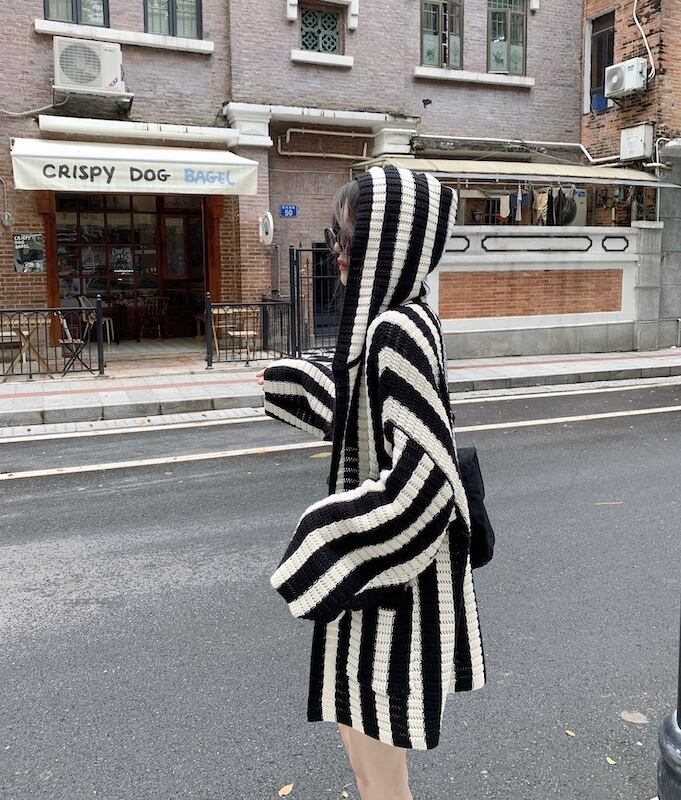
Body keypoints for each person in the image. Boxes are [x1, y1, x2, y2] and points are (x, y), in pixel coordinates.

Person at [256, 166, 486, 800]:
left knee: (382, 786)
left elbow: (427, 484)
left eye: (350, 239)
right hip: (382, 589)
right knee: (371, 772)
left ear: (391, 243)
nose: (338, 251)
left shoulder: (396, 332)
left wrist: (323, 538)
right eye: (337, 237)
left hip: (393, 597)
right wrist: (293, 384)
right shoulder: (395, 324)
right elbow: (365, 413)